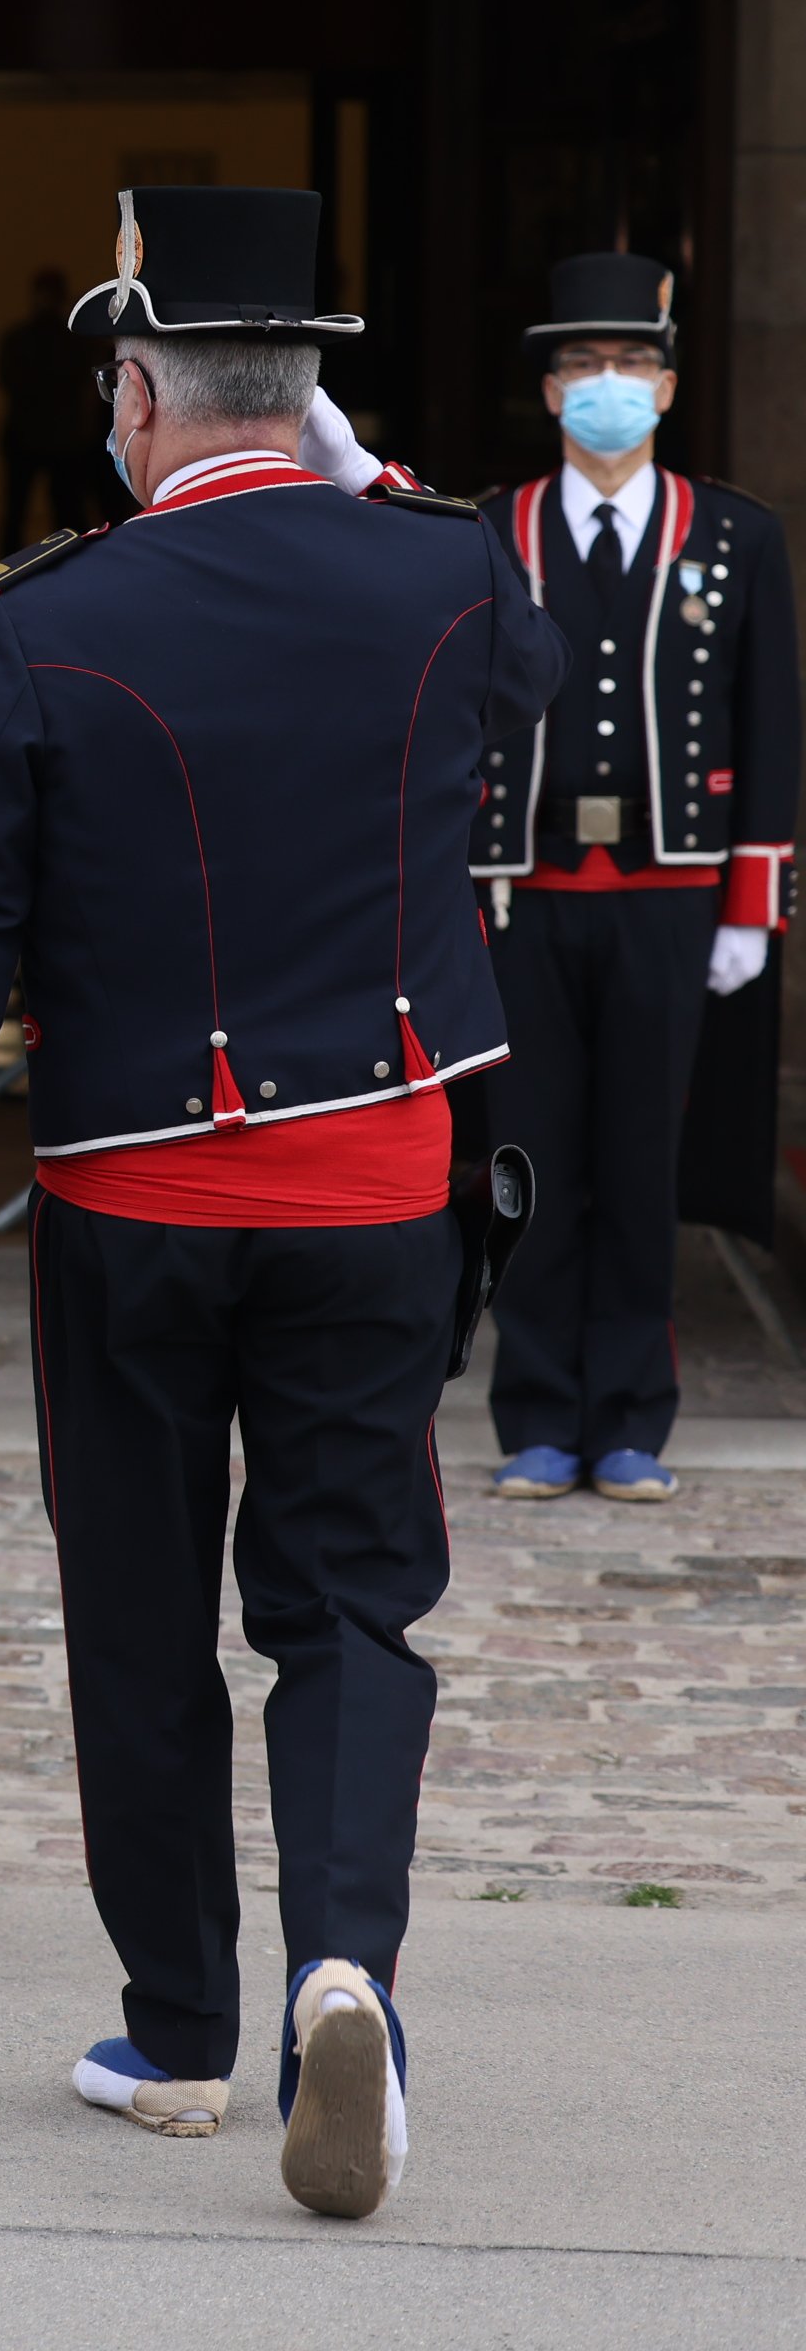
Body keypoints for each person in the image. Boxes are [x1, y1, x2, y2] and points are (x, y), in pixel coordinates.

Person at [0, 185, 559, 2222]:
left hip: (134, 1195)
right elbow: (526, 678)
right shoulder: (444, 577)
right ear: (322, 398)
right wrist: (383, 478)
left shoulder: (36, 616)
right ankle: (346, 1968)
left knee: (143, 1610)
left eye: (118, 387)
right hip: (375, 1183)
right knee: (351, 1603)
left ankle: (176, 2033)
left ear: (143, 388)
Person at [470, 254, 794, 1506]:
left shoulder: (733, 532)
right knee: (534, 1165)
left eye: (633, 368)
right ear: (552, 395)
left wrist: (754, 901)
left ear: (666, 388)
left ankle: (631, 1422)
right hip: (521, 894)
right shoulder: (491, 528)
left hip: (673, 896)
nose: (611, 387)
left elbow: (771, 724)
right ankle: (538, 1415)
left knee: (644, 1166)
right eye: (585, 369)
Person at [0, 263, 88, 552]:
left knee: (63, 515)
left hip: (54, 438)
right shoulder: (64, 341)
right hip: (42, 437)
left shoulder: (66, 341)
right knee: (28, 515)